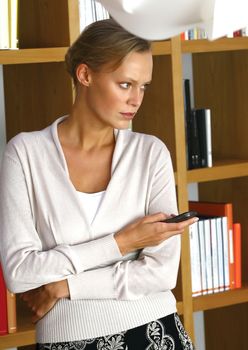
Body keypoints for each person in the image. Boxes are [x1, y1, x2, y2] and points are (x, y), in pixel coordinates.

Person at [0, 19, 197, 350]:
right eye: (125, 84)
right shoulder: (25, 154)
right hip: (66, 340)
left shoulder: (150, 154)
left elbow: (161, 275)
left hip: (154, 334)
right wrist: (122, 242)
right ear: (85, 75)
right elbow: (20, 272)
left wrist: (64, 286)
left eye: (143, 86)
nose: (137, 99)